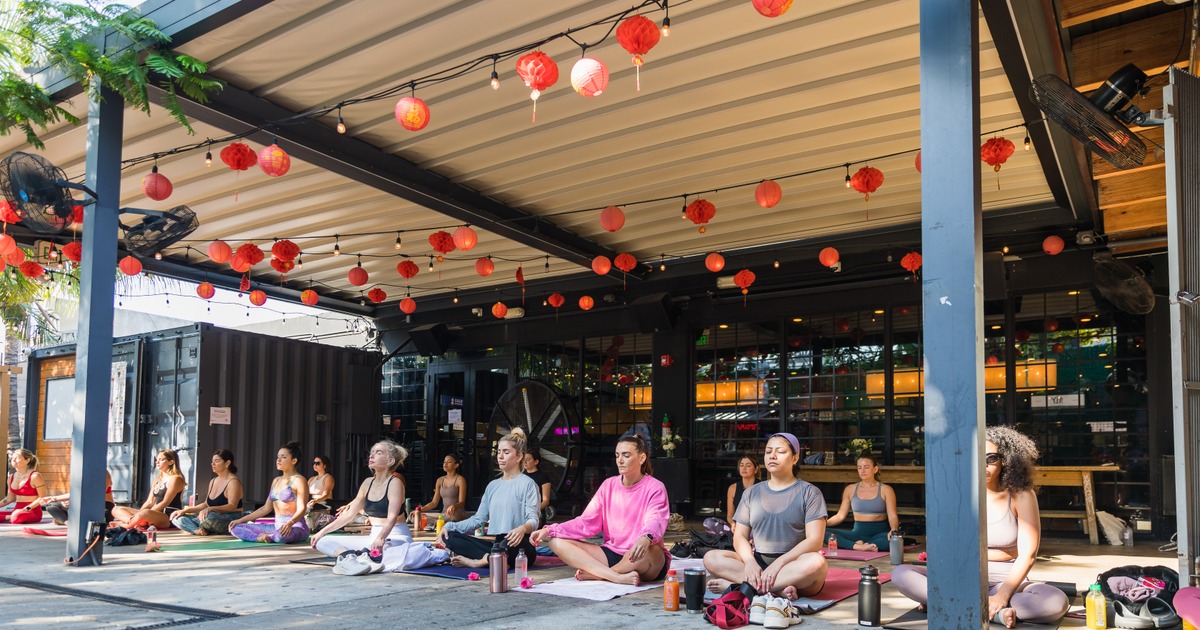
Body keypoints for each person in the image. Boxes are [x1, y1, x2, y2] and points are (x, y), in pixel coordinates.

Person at [891, 426, 1069, 628]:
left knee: (1055, 602)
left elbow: (1026, 555)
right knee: (901, 574)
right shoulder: (959, 494)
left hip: (1005, 579)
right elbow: (945, 545)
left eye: (991, 458)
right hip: (960, 576)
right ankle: (990, 612)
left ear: (1006, 460)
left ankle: (953, 603)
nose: (983, 465)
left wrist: (1002, 596)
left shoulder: (1021, 495)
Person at [530, 434, 670, 586]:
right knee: (555, 542)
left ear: (641, 458)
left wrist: (646, 538)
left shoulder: (655, 487)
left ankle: (601, 574)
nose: (620, 460)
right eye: (617, 455)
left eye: (626, 455)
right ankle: (615, 576)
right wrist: (550, 530)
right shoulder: (608, 485)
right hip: (610, 554)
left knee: (654, 551)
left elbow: (655, 519)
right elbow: (587, 522)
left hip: (641, 555)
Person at [703, 433, 828, 600]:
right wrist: (749, 562)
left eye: (780, 451)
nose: (773, 456)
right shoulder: (751, 492)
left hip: (793, 566)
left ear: (795, 458)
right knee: (711, 558)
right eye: (768, 451)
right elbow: (739, 536)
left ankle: (744, 587)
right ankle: (777, 589)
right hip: (759, 562)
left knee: (816, 563)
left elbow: (815, 541)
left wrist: (779, 563)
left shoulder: (810, 492)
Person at [310, 440, 447, 573]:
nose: (372, 455)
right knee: (323, 541)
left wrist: (381, 538)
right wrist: (321, 532)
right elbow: (349, 514)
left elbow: (392, 518)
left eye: (379, 452)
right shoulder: (367, 483)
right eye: (372, 452)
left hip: (396, 538)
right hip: (373, 539)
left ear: (390, 461)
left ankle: (363, 558)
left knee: (396, 555)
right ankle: (351, 557)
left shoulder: (395, 483)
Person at [437, 428, 540, 569]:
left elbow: (533, 520)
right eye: (499, 452)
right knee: (449, 536)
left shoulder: (528, 484)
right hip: (498, 545)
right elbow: (478, 519)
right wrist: (449, 526)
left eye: (506, 452)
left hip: (520, 546)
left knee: (507, 545)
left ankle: (480, 561)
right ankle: (494, 558)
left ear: (519, 456)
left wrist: (522, 529)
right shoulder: (493, 486)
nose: (500, 456)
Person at [229, 441, 310, 544]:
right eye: (278, 457)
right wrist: (240, 520)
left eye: (283, 457)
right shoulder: (276, 480)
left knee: (281, 536)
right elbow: (265, 508)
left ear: (294, 460)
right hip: (277, 526)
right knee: (235, 528)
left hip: (295, 527)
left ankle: (269, 537)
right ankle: (260, 538)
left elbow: (302, 508)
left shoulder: (299, 480)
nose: (278, 460)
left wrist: (290, 523)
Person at [825, 454, 900, 551]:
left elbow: (893, 515)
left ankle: (859, 545)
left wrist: (894, 529)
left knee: (891, 541)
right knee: (822, 533)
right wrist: (823, 524)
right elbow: (840, 516)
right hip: (857, 534)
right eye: (859, 468)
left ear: (875, 469)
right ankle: (858, 546)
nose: (862, 470)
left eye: (866, 467)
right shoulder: (850, 489)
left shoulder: (886, 490)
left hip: (880, 534)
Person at [172, 450, 244, 535]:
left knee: (209, 517)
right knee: (177, 518)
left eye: (216, 461)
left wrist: (211, 509)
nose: (212, 464)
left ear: (227, 463)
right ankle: (198, 531)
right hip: (211, 518)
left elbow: (232, 506)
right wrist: (185, 510)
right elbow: (206, 504)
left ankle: (198, 527)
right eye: (212, 461)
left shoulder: (233, 482)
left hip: (229, 517)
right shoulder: (213, 481)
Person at [111, 449, 185, 529]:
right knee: (116, 509)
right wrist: (139, 513)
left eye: (161, 459)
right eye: (157, 459)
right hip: (154, 513)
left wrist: (145, 513)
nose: (157, 462)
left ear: (171, 462)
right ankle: (137, 523)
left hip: (169, 516)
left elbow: (165, 502)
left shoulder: (176, 479)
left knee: (145, 513)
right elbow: (150, 501)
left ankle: (126, 525)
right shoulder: (158, 479)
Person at [32, 470, 115, 525]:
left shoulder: (104, 473)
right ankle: (67, 522)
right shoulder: (83, 472)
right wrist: (53, 498)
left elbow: (96, 495)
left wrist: (75, 502)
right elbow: (76, 493)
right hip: (83, 506)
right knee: (51, 506)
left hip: (102, 506)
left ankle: (68, 521)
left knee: (101, 517)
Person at [709, 455, 759, 536]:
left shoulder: (761, 487)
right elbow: (730, 515)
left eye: (748, 465)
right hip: (738, 527)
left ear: (756, 469)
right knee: (709, 522)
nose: (744, 468)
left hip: (756, 528)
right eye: (741, 465)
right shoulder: (733, 488)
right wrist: (733, 524)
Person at [416, 453, 467, 524]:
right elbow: (434, 503)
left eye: (449, 462)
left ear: (456, 465)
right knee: (415, 516)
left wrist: (454, 506)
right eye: (444, 462)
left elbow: (462, 503)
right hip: (443, 515)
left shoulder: (460, 480)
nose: (445, 464)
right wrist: (419, 510)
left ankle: (435, 523)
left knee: (451, 518)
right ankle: (437, 523)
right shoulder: (440, 480)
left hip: (455, 514)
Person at [0, 449, 47, 524]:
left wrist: (27, 508)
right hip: (16, 511)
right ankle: (9, 517)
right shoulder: (11, 477)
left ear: (27, 460)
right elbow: (10, 498)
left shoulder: (35, 476)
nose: (14, 460)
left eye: (17, 457)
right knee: (16, 515)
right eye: (13, 457)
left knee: (17, 516)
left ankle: (9, 518)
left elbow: (42, 497)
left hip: (31, 511)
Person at [522, 443, 552, 524]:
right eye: (523, 460)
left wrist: (532, 511)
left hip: (536, 514)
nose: (524, 462)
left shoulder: (543, 477)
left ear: (536, 462)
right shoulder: (521, 476)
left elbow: (545, 501)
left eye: (528, 460)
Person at [306, 455, 335, 531]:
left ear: (325, 465)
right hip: (312, 503)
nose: (315, 465)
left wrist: (315, 501)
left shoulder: (328, 477)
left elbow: (326, 494)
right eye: (314, 463)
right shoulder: (311, 479)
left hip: (324, 504)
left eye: (318, 463)